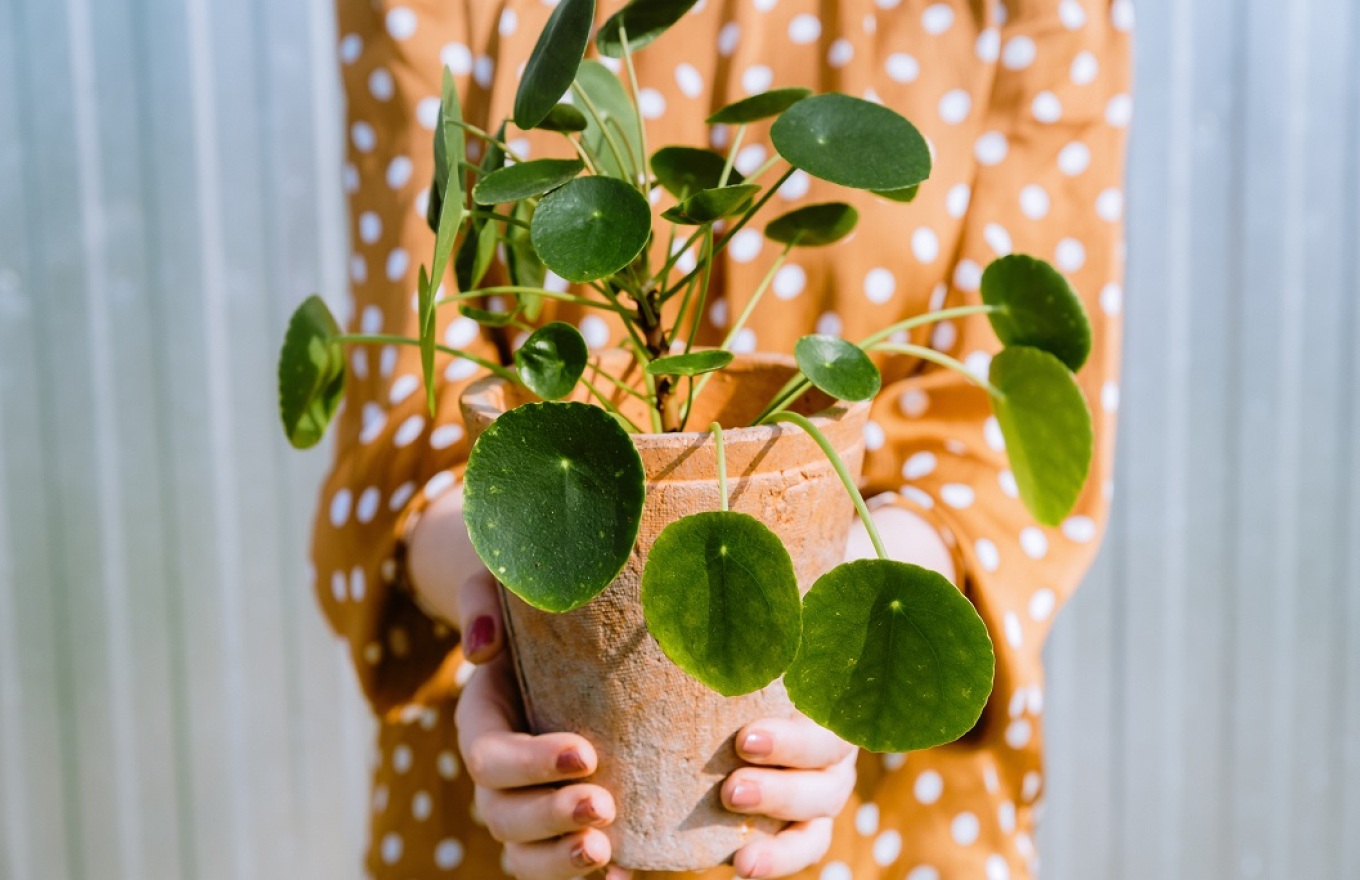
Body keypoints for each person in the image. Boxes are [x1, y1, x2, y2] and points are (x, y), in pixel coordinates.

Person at [312, 0, 1130, 877]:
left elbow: (998, 441)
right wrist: (495, 604)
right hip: (518, 793)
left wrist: (835, 629)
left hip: (878, 800)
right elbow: (411, 413)